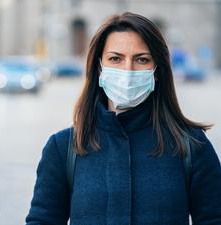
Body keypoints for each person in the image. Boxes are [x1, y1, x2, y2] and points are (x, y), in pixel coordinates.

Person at [25, 12, 221, 225]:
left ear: (156, 71)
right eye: (115, 59)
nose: (128, 70)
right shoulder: (63, 148)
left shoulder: (192, 146)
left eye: (142, 59)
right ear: (99, 68)